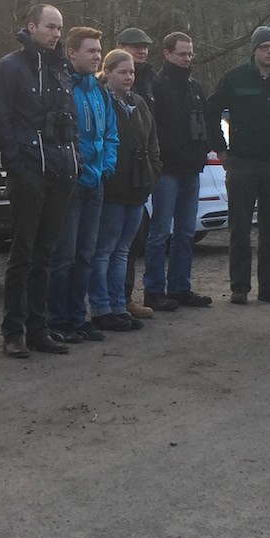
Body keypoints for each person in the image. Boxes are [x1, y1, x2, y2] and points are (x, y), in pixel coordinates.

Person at [0, 4, 79, 357]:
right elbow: (2, 117)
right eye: (50, 27)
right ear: (32, 26)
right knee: (23, 254)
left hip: (61, 171)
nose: (56, 34)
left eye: (59, 28)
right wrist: (17, 165)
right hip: (28, 172)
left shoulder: (61, 67)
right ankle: (13, 332)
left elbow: (68, 118)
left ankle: (38, 328)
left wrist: (76, 159)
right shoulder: (10, 66)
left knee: (46, 253)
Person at [206, 26, 270, 306]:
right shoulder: (235, 78)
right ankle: (240, 287)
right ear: (254, 50)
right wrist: (221, 150)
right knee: (239, 226)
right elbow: (211, 110)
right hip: (242, 162)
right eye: (265, 47)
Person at [46, 27, 117, 343]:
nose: (97, 56)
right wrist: (76, 166)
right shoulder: (62, 86)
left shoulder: (99, 91)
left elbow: (110, 133)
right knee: (64, 255)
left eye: (99, 51)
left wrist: (107, 167)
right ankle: (57, 320)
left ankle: (77, 317)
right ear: (71, 53)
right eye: (91, 51)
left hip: (96, 183)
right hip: (70, 183)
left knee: (86, 255)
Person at [89, 49, 161, 333]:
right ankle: (101, 307)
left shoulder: (139, 102)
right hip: (112, 189)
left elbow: (153, 141)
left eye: (131, 72)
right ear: (107, 73)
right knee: (104, 251)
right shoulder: (101, 101)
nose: (129, 77)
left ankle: (119, 305)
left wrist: (152, 172)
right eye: (122, 72)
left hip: (138, 188)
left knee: (123, 250)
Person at [143, 32, 213, 311]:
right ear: (167, 54)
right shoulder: (156, 87)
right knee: (160, 232)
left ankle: (181, 287)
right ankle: (154, 290)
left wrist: (204, 150)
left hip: (191, 170)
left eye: (190, 54)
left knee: (185, 232)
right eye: (182, 54)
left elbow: (207, 121)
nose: (187, 58)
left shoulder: (194, 87)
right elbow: (153, 128)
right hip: (168, 171)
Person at [115, 27, 156, 319]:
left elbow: (154, 134)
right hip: (114, 181)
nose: (141, 51)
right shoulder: (104, 92)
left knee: (132, 243)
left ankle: (124, 297)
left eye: (144, 47)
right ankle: (108, 303)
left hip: (141, 179)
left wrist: (153, 171)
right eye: (134, 46)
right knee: (108, 246)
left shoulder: (150, 84)